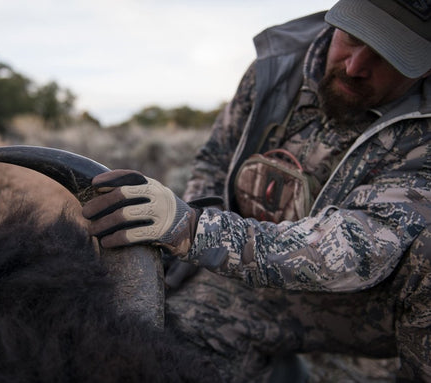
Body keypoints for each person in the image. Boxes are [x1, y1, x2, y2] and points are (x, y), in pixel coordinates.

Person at [82, 0, 431, 381]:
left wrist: (194, 230)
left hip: (369, 305)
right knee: (169, 343)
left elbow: (354, 249)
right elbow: (215, 158)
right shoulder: (275, 67)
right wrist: (178, 251)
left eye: (388, 57)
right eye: (352, 36)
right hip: (255, 282)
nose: (355, 66)